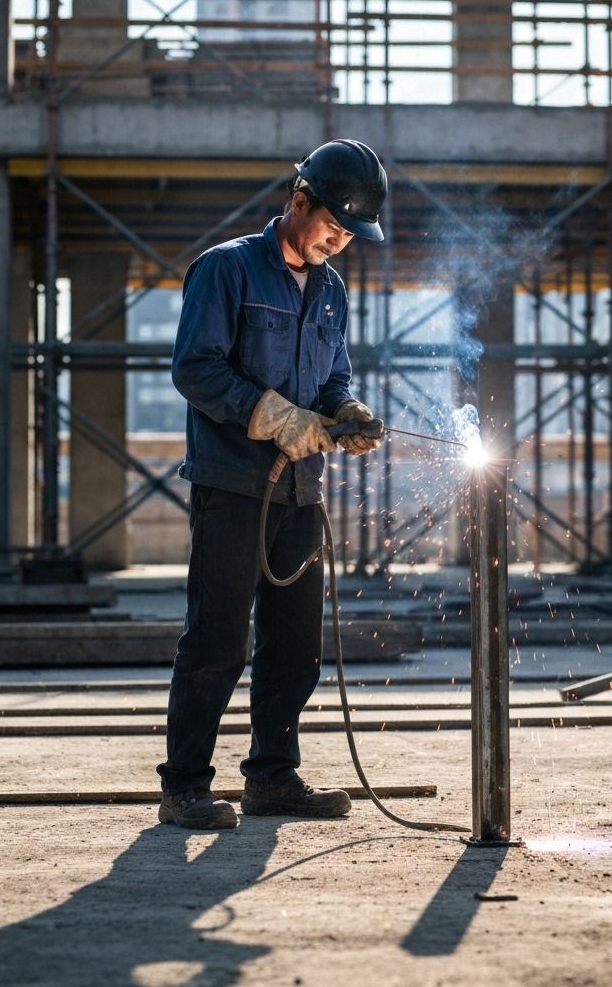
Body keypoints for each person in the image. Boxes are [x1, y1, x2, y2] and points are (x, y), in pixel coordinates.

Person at [157, 139, 388, 829]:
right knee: (217, 641)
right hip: (233, 485)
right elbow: (195, 369)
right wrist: (269, 413)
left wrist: (345, 409)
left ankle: (272, 776)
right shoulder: (225, 270)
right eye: (330, 226)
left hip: (302, 493)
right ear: (298, 202)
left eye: (348, 235)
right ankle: (185, 785)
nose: (337, 242)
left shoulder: (331, 290)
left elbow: (333, 375)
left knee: (293, 646)